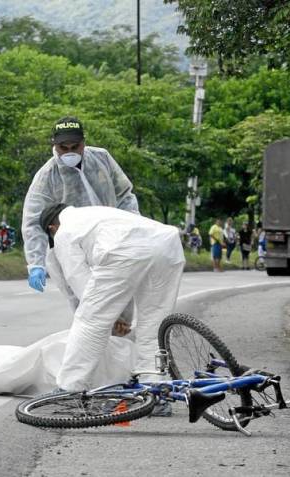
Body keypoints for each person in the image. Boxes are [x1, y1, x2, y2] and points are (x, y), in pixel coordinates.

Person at [39, 204, 185, 393]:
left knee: (90, 320)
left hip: (124, 251)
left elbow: (79, 278)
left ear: (52, 228)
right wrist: (117, 315)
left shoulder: (63, 232)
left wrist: (110, 316)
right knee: (154, 325)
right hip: (167, 244)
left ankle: (70, 387)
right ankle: (155, 390)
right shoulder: (95, 213)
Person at [21, 116, 139, 294]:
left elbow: (125, 196)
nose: (69, 152)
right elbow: (33, 221)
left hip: (110, 239)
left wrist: (133, 229)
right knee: (84, 301)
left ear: (84, 142)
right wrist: (36, 263)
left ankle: (120, 322)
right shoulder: (46, 176)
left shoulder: (102, 159)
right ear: (54, 145)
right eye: (63, 147)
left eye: (75, 146)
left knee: (119, 295)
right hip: (73, 250)